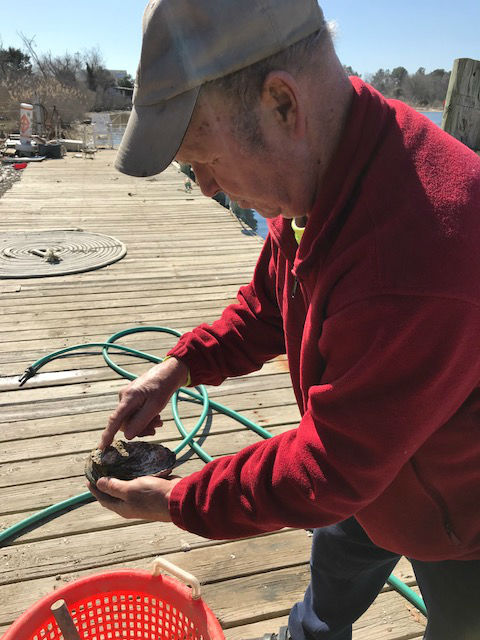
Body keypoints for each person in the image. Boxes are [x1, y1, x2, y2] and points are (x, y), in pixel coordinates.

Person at [89, 1, 480, 638]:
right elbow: (271, 302)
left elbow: (328, 468)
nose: (208, 188)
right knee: (324, 606)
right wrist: (178, 368)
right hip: (368, 477)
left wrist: (175, 502)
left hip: (459, 520)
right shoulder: (325, 166)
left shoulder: (418, 258)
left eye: (203, 159)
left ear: (282, 105)